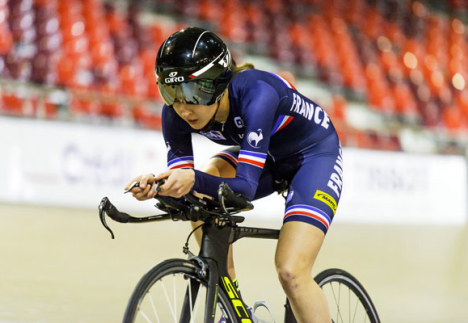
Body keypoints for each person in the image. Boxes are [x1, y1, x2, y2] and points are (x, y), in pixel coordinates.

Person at [125, 26, 344, 323]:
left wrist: (192, 181)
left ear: (216, 84)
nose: (182, 107)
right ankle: (233, 308)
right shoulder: (174, 113)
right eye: (171, 91)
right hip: (265, 153)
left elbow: (243, 189)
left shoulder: (257, 93)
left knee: (291, 271)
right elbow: (185, 180)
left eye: (191, 92)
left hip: (313, 155)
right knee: (199, 195)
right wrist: (159, 185)